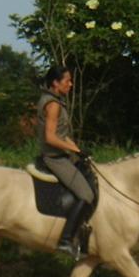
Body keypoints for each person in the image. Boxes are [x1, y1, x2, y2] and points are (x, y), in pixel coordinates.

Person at [37, 65, 94, 260]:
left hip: (63, 155)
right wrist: (72, 150)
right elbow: (51, 138)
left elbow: (64, 136)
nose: (71, 84)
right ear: (55, 82)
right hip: (54, 158)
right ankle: (65, 240)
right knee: (86, 194)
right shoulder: (52, 105)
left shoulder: (57, 102)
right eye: (67, 81)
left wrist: (79, 151)